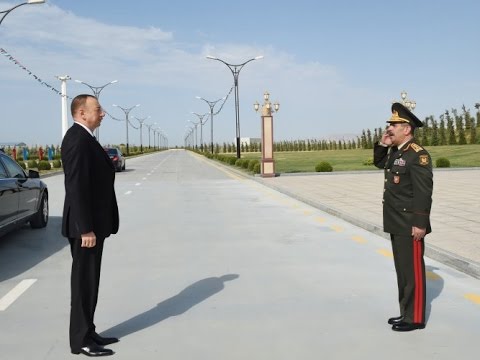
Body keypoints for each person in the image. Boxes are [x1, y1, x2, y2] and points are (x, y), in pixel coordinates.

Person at [61, 94, 120, 356]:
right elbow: (75, 186)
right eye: (98, 109)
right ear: (82, 113)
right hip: (86, 229)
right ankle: (80, 341)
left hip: (94, 225)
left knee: (91, 281)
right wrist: (85, 228)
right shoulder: (77, 140)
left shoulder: (86, 139)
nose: (103, 113)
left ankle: (89, 331)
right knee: (83, 283)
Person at [373, 102, 433, 332]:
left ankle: (415, 318)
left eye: (394, 125)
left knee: (412, 271)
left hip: (410, 224)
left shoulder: (418, 155)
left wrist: (420, 223)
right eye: (389, 124)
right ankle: (406, 312)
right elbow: (380, 163)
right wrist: (383, 144)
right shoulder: (398, 152)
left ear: (406, 129)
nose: (389, 128)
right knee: (403, 270)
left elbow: (423, 191)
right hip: (396, 221)